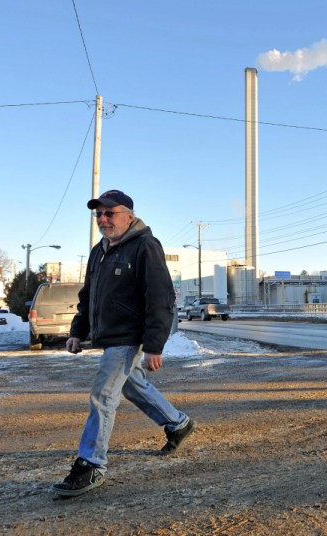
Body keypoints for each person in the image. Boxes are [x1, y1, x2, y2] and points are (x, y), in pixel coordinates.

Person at [52, 189, 196, 497]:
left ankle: (91, 464)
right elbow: (87, 296)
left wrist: (155, 344)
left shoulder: (145, 246)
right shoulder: (99, 251)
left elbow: (160, 297)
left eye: (109, 213)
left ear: (128, 216)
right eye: (98, 214)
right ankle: (178, 423)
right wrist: (78, 330)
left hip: (130, 336)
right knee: (132, 386)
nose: (103, 219)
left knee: (103, 395)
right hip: (110, 335)